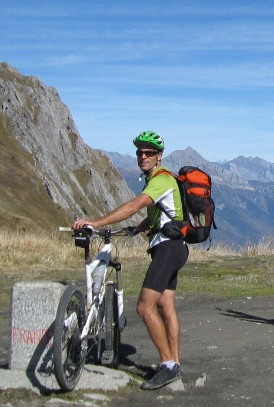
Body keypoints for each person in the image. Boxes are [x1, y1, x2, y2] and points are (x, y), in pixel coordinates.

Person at [72, 130, 188, 390]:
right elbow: (162, 212)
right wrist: (140, 227)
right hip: (173, 247)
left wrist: (95, 222)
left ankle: (168, 367)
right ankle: (175, 364)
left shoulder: (160, 180)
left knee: (145, 307)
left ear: (159, 156)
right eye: (140, 153)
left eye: (149, 153)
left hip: (168, 248)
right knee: (166, 307)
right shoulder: (160, 180)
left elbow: (134, 205)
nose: (143, 157)